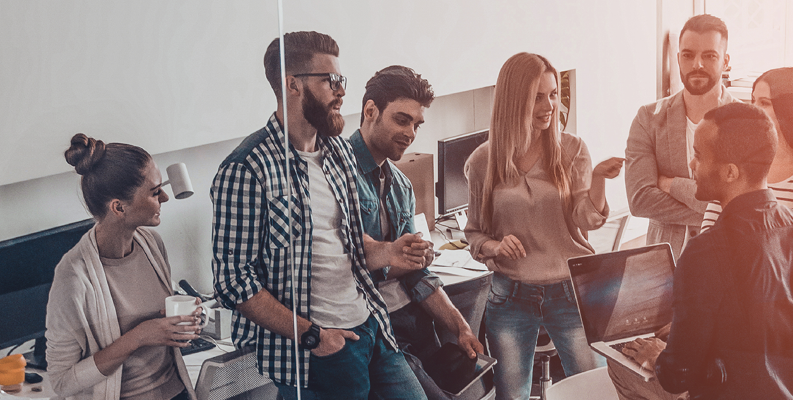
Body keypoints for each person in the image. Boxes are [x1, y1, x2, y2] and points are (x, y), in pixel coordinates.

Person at [211, 31, 432, 400]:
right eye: (331, 81)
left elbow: (345, 241)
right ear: (292, 84)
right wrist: (312, 335)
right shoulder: (247, 168)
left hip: (370, 324)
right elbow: (233, 281)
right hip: (320, 347)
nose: (341, 91)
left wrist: (389, 252)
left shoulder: (337, 153)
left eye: (341, 80)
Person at [619, 103, 793, 400]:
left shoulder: (705, 253)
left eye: (698, 156)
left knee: (622, 366)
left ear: (730, 172)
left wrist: (656, 355)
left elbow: (677, 377)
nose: (692, 165)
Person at [464, 52, 624, 400]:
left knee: (595, 390)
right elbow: (474, 233)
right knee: (511, 395)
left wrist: (598, 179)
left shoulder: (571, 149)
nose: (549, 104)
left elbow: (587, 220)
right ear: (513, 99)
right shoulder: (482, 162)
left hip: (569, 291)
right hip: (510, 295)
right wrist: (494, 246)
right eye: (537, 96)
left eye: (553, 94)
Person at [349, 65, 485, 399]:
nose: (411, 133)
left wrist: (459, 326)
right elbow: (339, 263)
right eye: (401, 120)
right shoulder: (338, 176)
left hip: (415, 323)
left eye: (416, 124)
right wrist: (395, 257)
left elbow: (418, 274)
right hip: (375, 329)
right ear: (370, 111)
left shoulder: (401, 185)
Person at [45, 134, 199, 400]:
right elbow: (61, 383)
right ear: (119, 207)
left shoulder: (152, 244)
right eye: (154, 191)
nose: (165, 197)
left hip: (177, 392)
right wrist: (138, 337)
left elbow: (159, 323)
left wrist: (188, 320)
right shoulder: (73, 276)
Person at [626, 14, 738, 258]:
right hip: (665, 263)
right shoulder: (648, 118)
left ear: (726, 61)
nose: (697, 64)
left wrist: (669, 184)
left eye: (709, 55)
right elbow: (640, 200)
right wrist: (715, 208)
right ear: (678, 59)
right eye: (688, 55)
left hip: (727, 258)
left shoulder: (744, 121)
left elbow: (741, 203)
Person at [699, 67, 793, 231]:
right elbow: (707, 233)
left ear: (790, 110)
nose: (754, 109)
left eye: (764, 103)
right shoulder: (735, 165)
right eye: (753, 100)